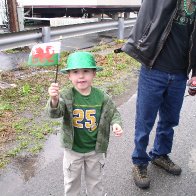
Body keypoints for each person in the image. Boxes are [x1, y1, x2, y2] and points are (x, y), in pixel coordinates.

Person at [121, 0, 196, 189]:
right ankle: (139, 162)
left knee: (170, 120)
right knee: (144, 121)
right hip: (153, 68)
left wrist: (195, 72)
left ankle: (160, 154)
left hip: (180, 72)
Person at [46, 51, 123, 196]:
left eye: (86, 71)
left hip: (95, 150)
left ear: (94, 73)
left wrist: (116, 124)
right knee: (71, 181)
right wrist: (54, 100)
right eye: (75, 72)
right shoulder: (66, 95)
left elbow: (113, 113)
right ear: (69, 75)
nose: (81, 76)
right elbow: (55, 113)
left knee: (95, 181)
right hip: (72, 150)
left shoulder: (101, 97)